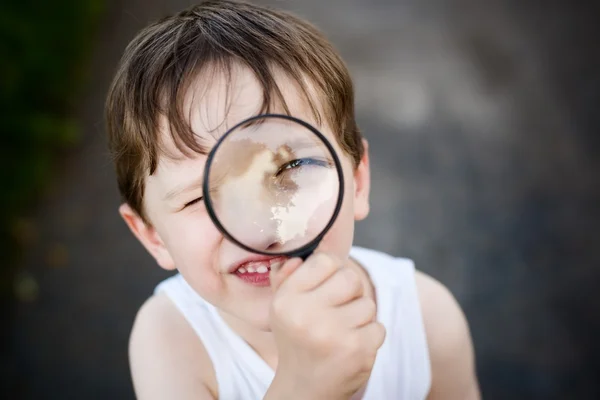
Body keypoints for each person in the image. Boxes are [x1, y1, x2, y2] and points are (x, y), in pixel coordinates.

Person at [105, 1, 480, 399]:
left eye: (291, 168)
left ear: (358, 179)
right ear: (153, 237)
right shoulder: (170, 340)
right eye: (199, 198)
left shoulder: (426, 318)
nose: (258, 227)